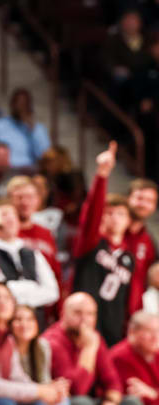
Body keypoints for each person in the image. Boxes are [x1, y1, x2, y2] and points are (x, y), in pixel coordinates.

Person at [0, 282, 69, 405]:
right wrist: (39, 390)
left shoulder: (8, 339)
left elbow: (18, 377)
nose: (2, 302)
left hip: (2, 398)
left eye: (7, 298)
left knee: (53, 400)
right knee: (5, 403)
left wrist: (47, 390)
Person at [72, 142, 134, 346]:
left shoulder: (129, 257)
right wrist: (102, 175)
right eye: (108, 213)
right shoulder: (91, 243)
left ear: (129, 221)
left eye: (120, 214)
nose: (114, 218)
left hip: (114, 332)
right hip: (84, 328)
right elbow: (91, 214)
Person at [42, 292, 130, 404]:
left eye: (90, 314)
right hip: (65, 400)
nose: (84, 319)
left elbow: (113, 382)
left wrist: (111, 401)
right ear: (62, 314)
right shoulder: (52, 341)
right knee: (82, 402)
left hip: (92, 399)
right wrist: (89, 348)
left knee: (131, 401)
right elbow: (76, 389)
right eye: (77, 313)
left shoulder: (94, 337)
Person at [0, 201, 60, 309]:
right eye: (4, 214)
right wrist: (32, 287)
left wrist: (20, 297)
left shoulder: (33, 252)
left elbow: (52, 292)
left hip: (33, 316)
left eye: (13, 214)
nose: (10, 218)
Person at [7, 175, 62, 296]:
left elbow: (56, 272)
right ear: (9, 199)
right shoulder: (5, 234)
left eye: (30, 197)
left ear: (38, 200)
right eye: (19, 197)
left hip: (46, 299)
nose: (25, 202)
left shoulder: (46, 233)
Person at [0, 88, 51, 168]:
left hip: (28, 170)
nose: (20, 108)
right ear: (11, 104)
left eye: (24, 104)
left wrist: (32, 130)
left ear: (30, 106)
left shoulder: (38, 129)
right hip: (2, 170)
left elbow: (45, 156)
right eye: (18, 103)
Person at [124, 179, 159, 315]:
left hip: (133, 313)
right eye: (139, 198)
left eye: (150, 201)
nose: (143, 204)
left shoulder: (148, 241)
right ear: (128, 198)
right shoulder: (111, 231)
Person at [110, 311, 159, 405]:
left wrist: (154, 394)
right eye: (149, 331)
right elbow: (137, 398)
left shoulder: (155, 353)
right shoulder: (120, 357)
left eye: (157, 331)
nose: (155, 337)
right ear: (132, 332)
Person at [12, 305, 52, 383]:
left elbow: (45, 379)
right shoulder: (7, 349)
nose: (24, 324)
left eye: (30, 319)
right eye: (18, 319)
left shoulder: (43, 346)